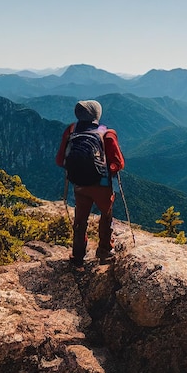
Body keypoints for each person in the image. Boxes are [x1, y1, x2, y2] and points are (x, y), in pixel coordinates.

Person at [55, 100, 125, 267]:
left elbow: (60, 160)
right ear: (96, 115)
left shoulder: (71, 131)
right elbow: (118, 163)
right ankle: (104, 250)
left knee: (80, 219)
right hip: (101, 185)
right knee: (106, 215)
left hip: (79, 184)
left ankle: (78, 255)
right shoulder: (107, 133)